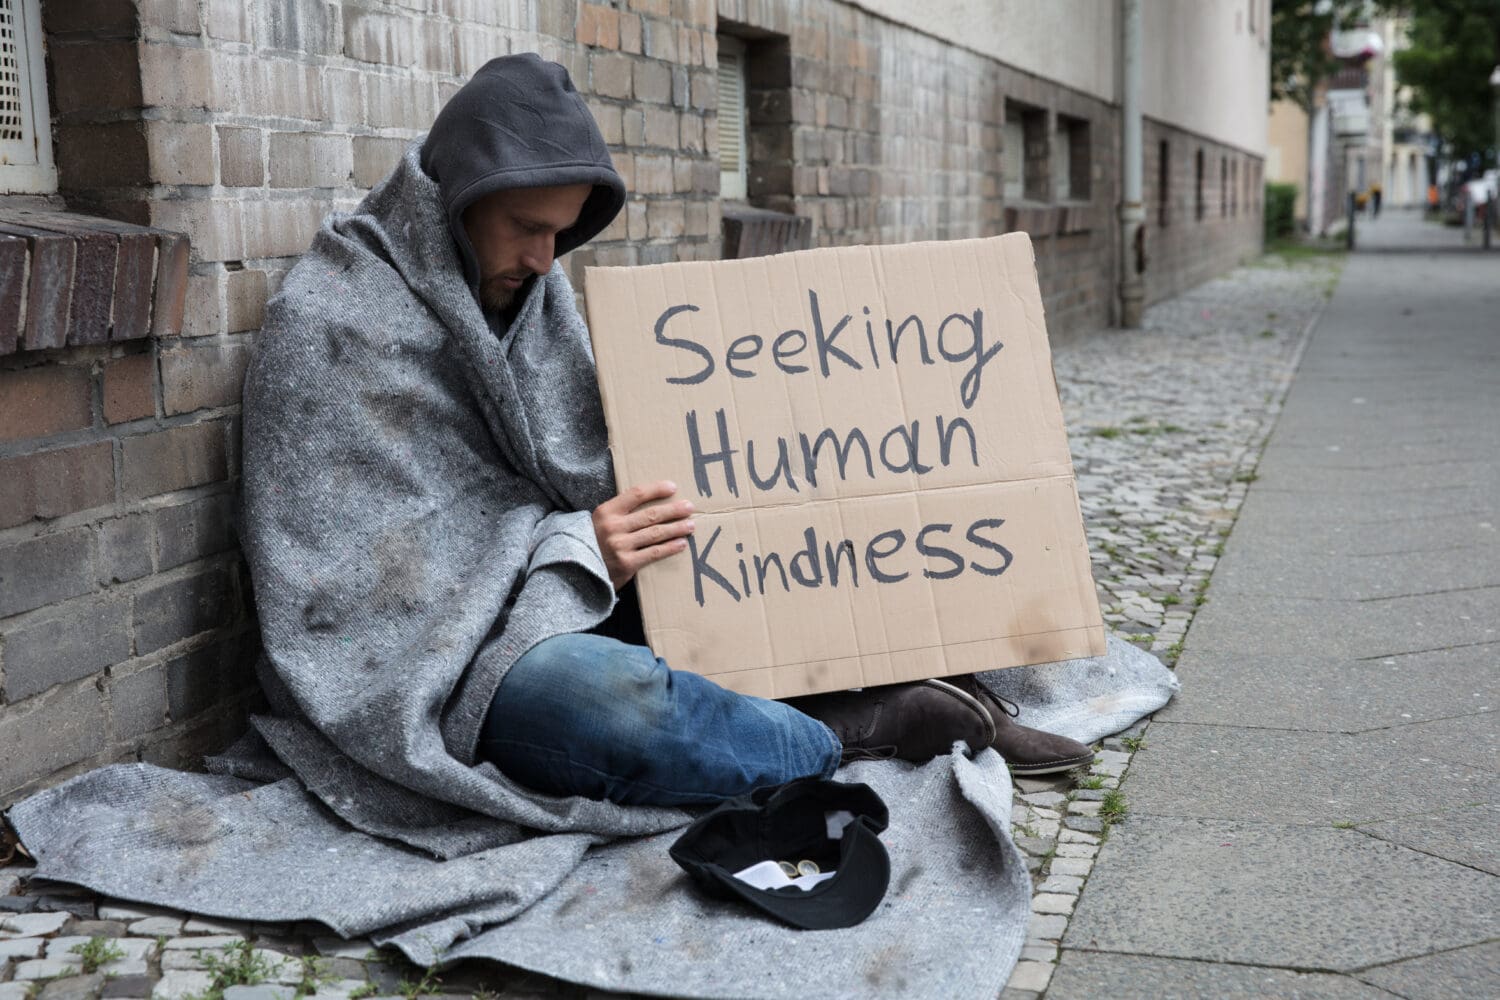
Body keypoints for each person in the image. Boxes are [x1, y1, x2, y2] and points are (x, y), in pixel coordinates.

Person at [240, 55, 1092, 822]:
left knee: (747, 546)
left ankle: (910, 670)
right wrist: (577, 550)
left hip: (554, 596)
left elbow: (585, 471)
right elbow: (362, 597)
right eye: (526, 228)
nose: (545, 260)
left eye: (561, 234)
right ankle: (854, 729)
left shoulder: (530, 299)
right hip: (441, 670)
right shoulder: (334, 319)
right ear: (455, 202)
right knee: (591, 704)